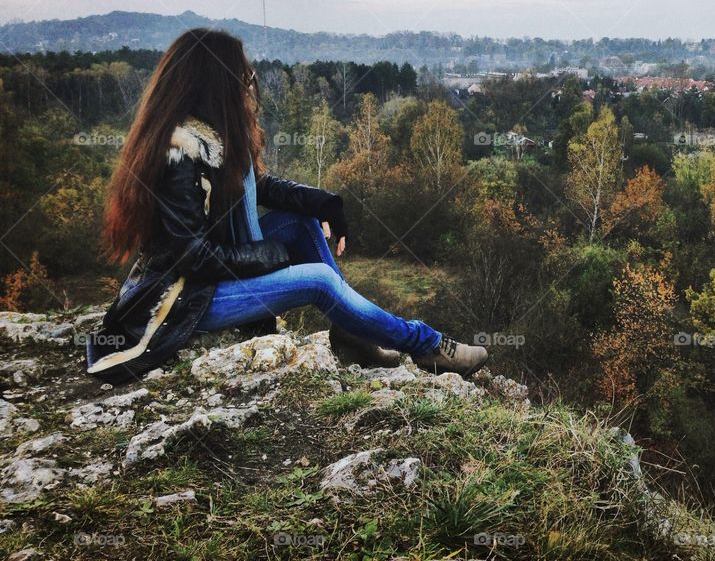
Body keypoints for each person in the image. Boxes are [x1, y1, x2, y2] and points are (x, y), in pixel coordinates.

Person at [86, 28, 488, 385]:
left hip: (208, 281)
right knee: (320, 282)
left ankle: (354, 336)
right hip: (184, 300)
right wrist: (271, 255)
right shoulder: (180, 152)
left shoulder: (212, 138)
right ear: (215, 84)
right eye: (243, 77)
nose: (248, 86)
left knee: (301, 222)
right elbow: (192, 258)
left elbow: (255, 187)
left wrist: (325, 203)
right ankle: (427, 344)